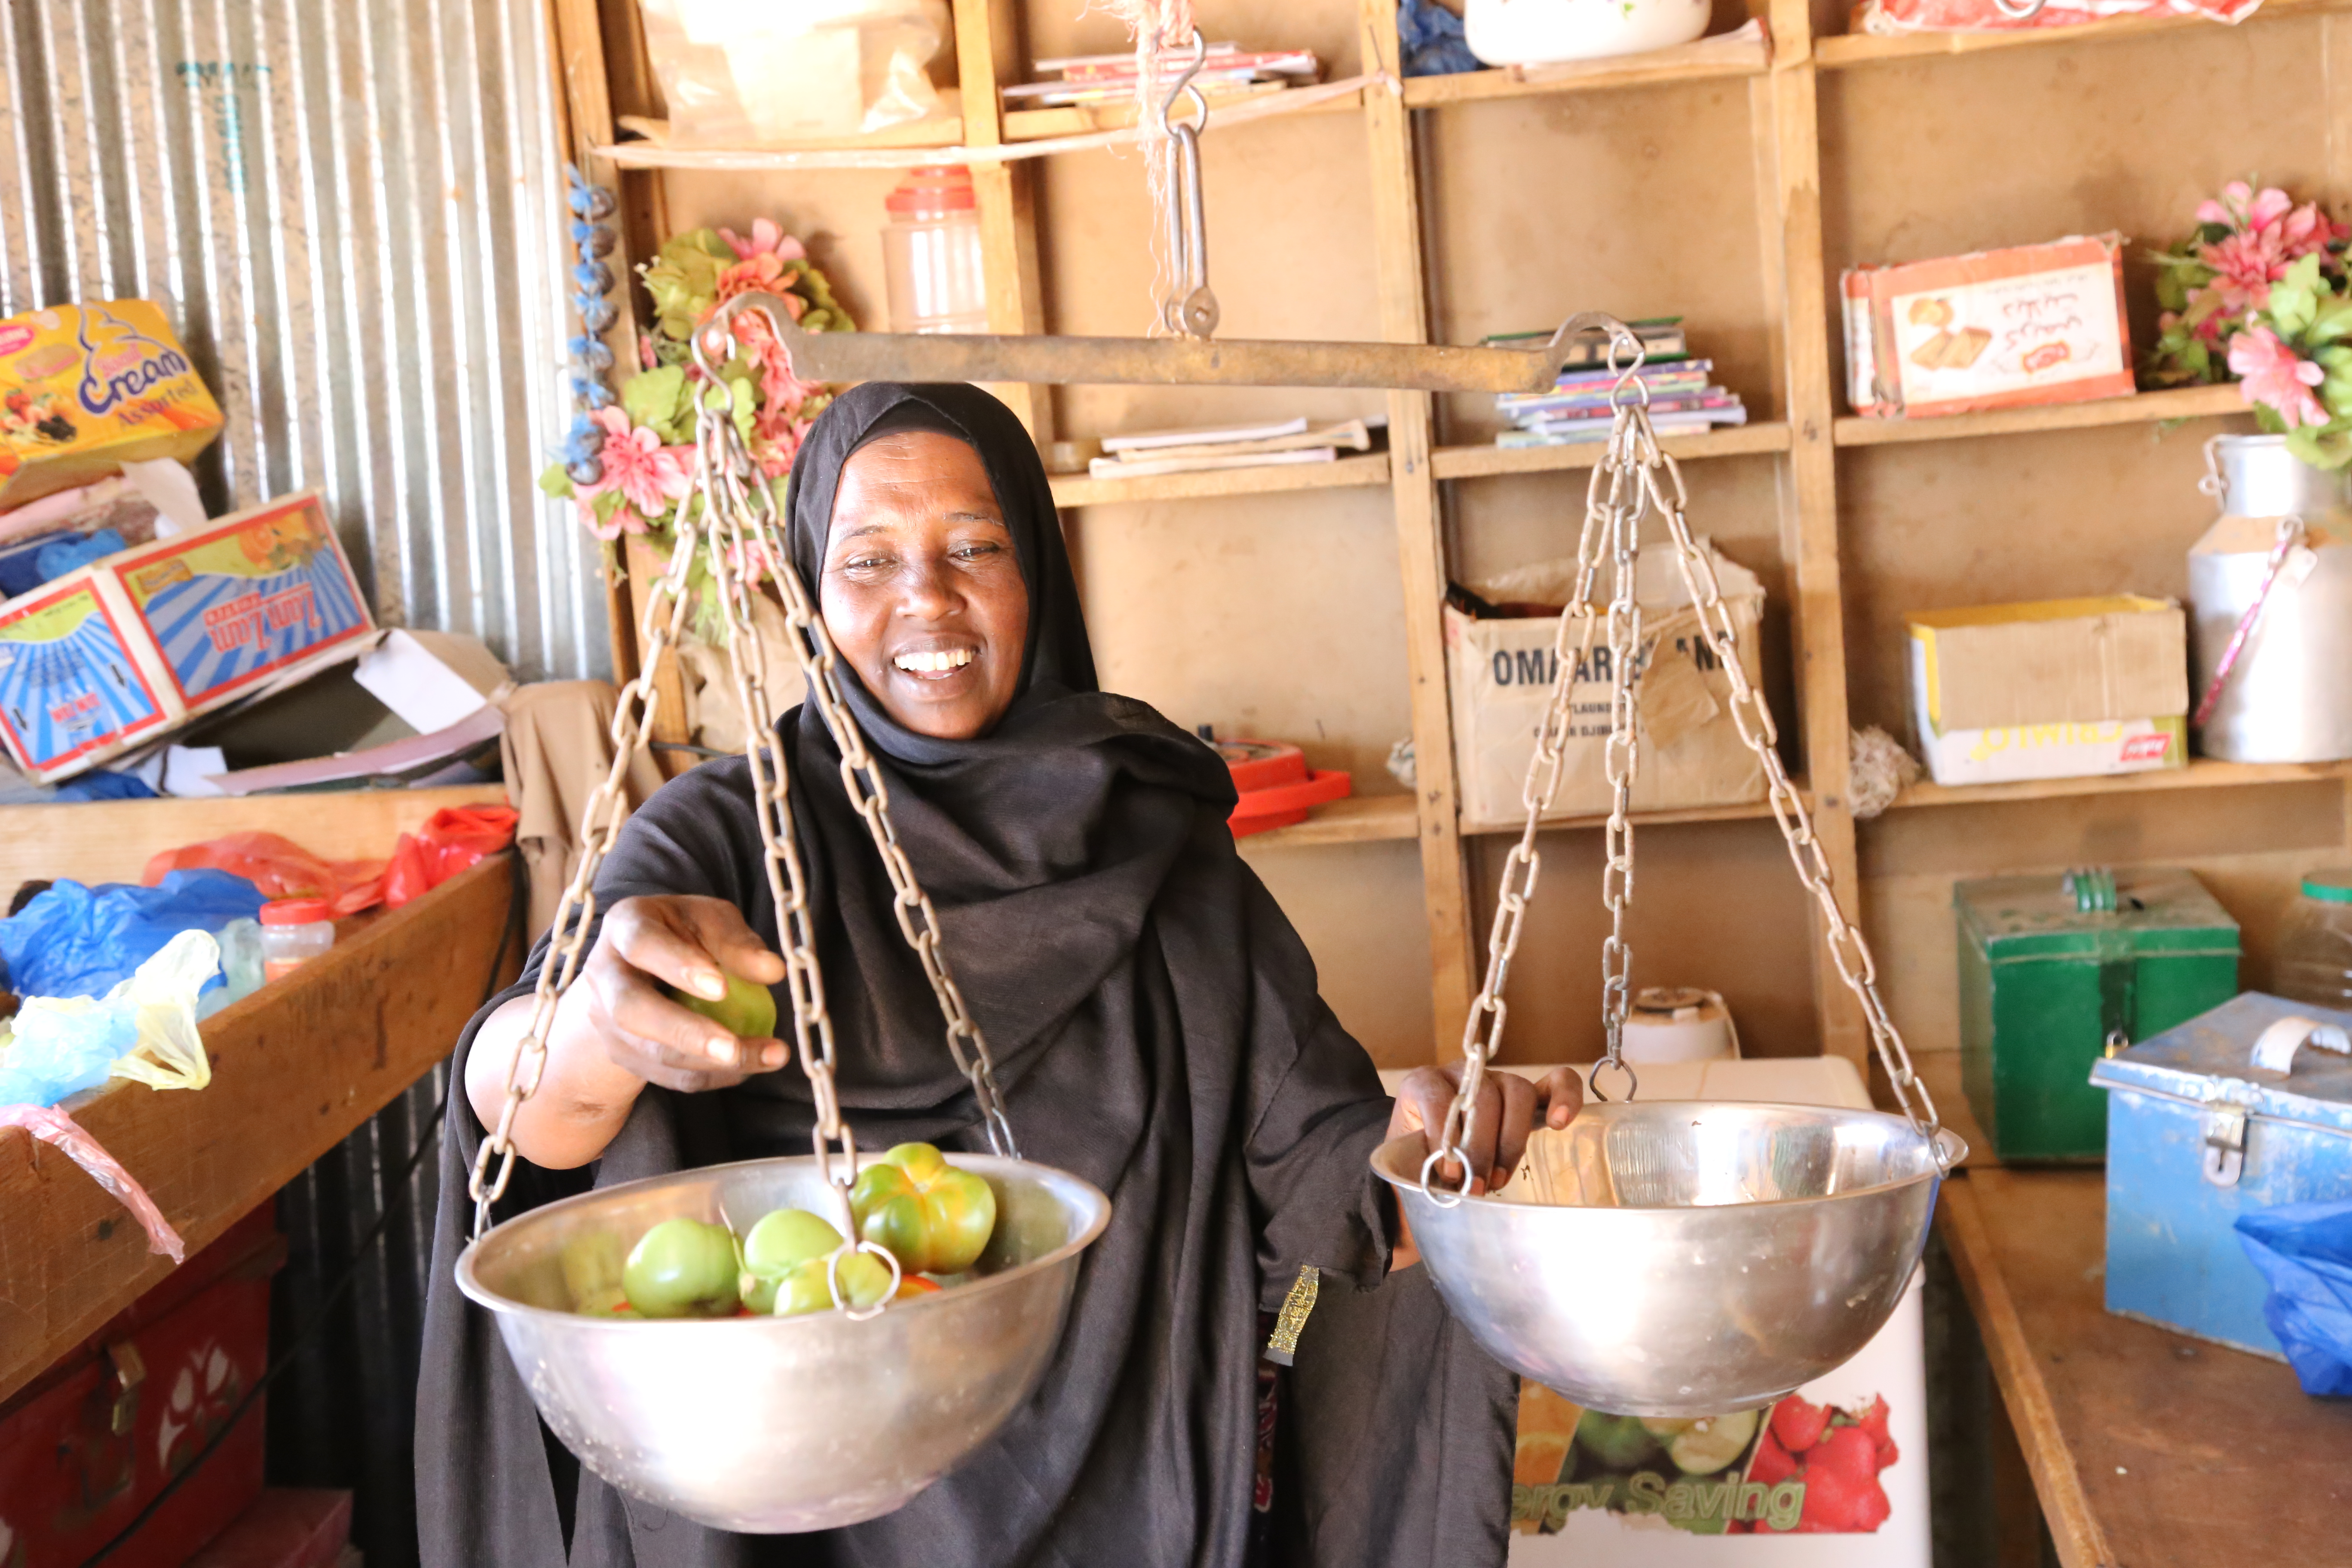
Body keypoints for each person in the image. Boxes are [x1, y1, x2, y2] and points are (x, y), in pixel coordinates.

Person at [418, 383, 1580, 1568]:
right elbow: (526, 1123)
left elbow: (1320, 1183)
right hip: (787, 1504)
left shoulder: (1150, 831)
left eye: (975, 546)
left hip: (1123, 1493)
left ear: (1039, 574)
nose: (927, 595)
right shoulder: (721, 835)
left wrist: (1449, 1157)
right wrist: (602, 1028)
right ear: (811, 595)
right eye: (867, 560)